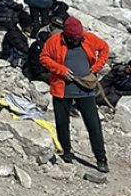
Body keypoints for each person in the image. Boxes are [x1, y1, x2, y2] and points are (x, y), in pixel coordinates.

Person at [40, 17, 110, 172]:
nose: (77, 40)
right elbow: (44, 58)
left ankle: (101, 159)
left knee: (93, 125)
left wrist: (97, 66)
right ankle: (66, 152)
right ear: (66, 35)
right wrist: (61, 70)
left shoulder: (88, 38)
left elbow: (104, 48)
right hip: (62, 89)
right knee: (62, 122)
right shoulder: (54, 41)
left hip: (85, 89)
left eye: (79, 38)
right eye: (73, 39)